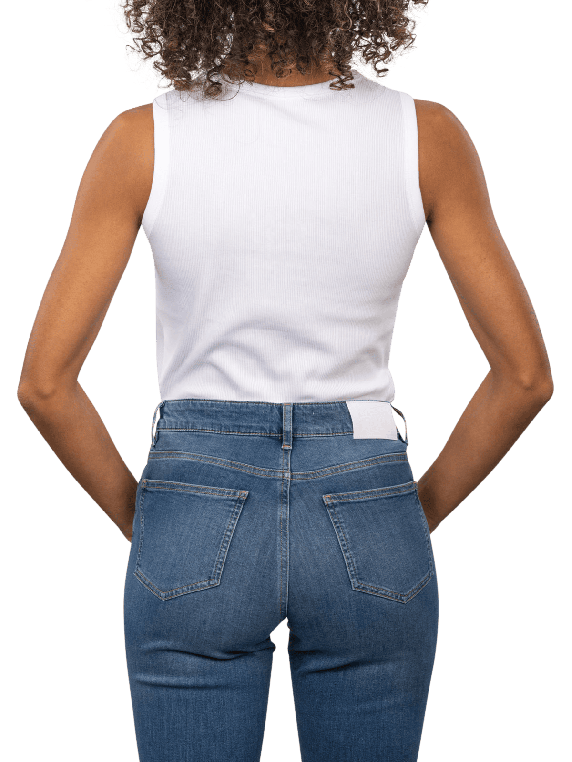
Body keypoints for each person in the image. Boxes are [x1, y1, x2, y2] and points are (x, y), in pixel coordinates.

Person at [16, 2, 554, 760]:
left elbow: (45, 385)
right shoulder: (427, 137)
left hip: (197, 497)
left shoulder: (143, 140)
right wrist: (402, 513)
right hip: (364, 489)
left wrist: (159, 523)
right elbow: (525, 377)